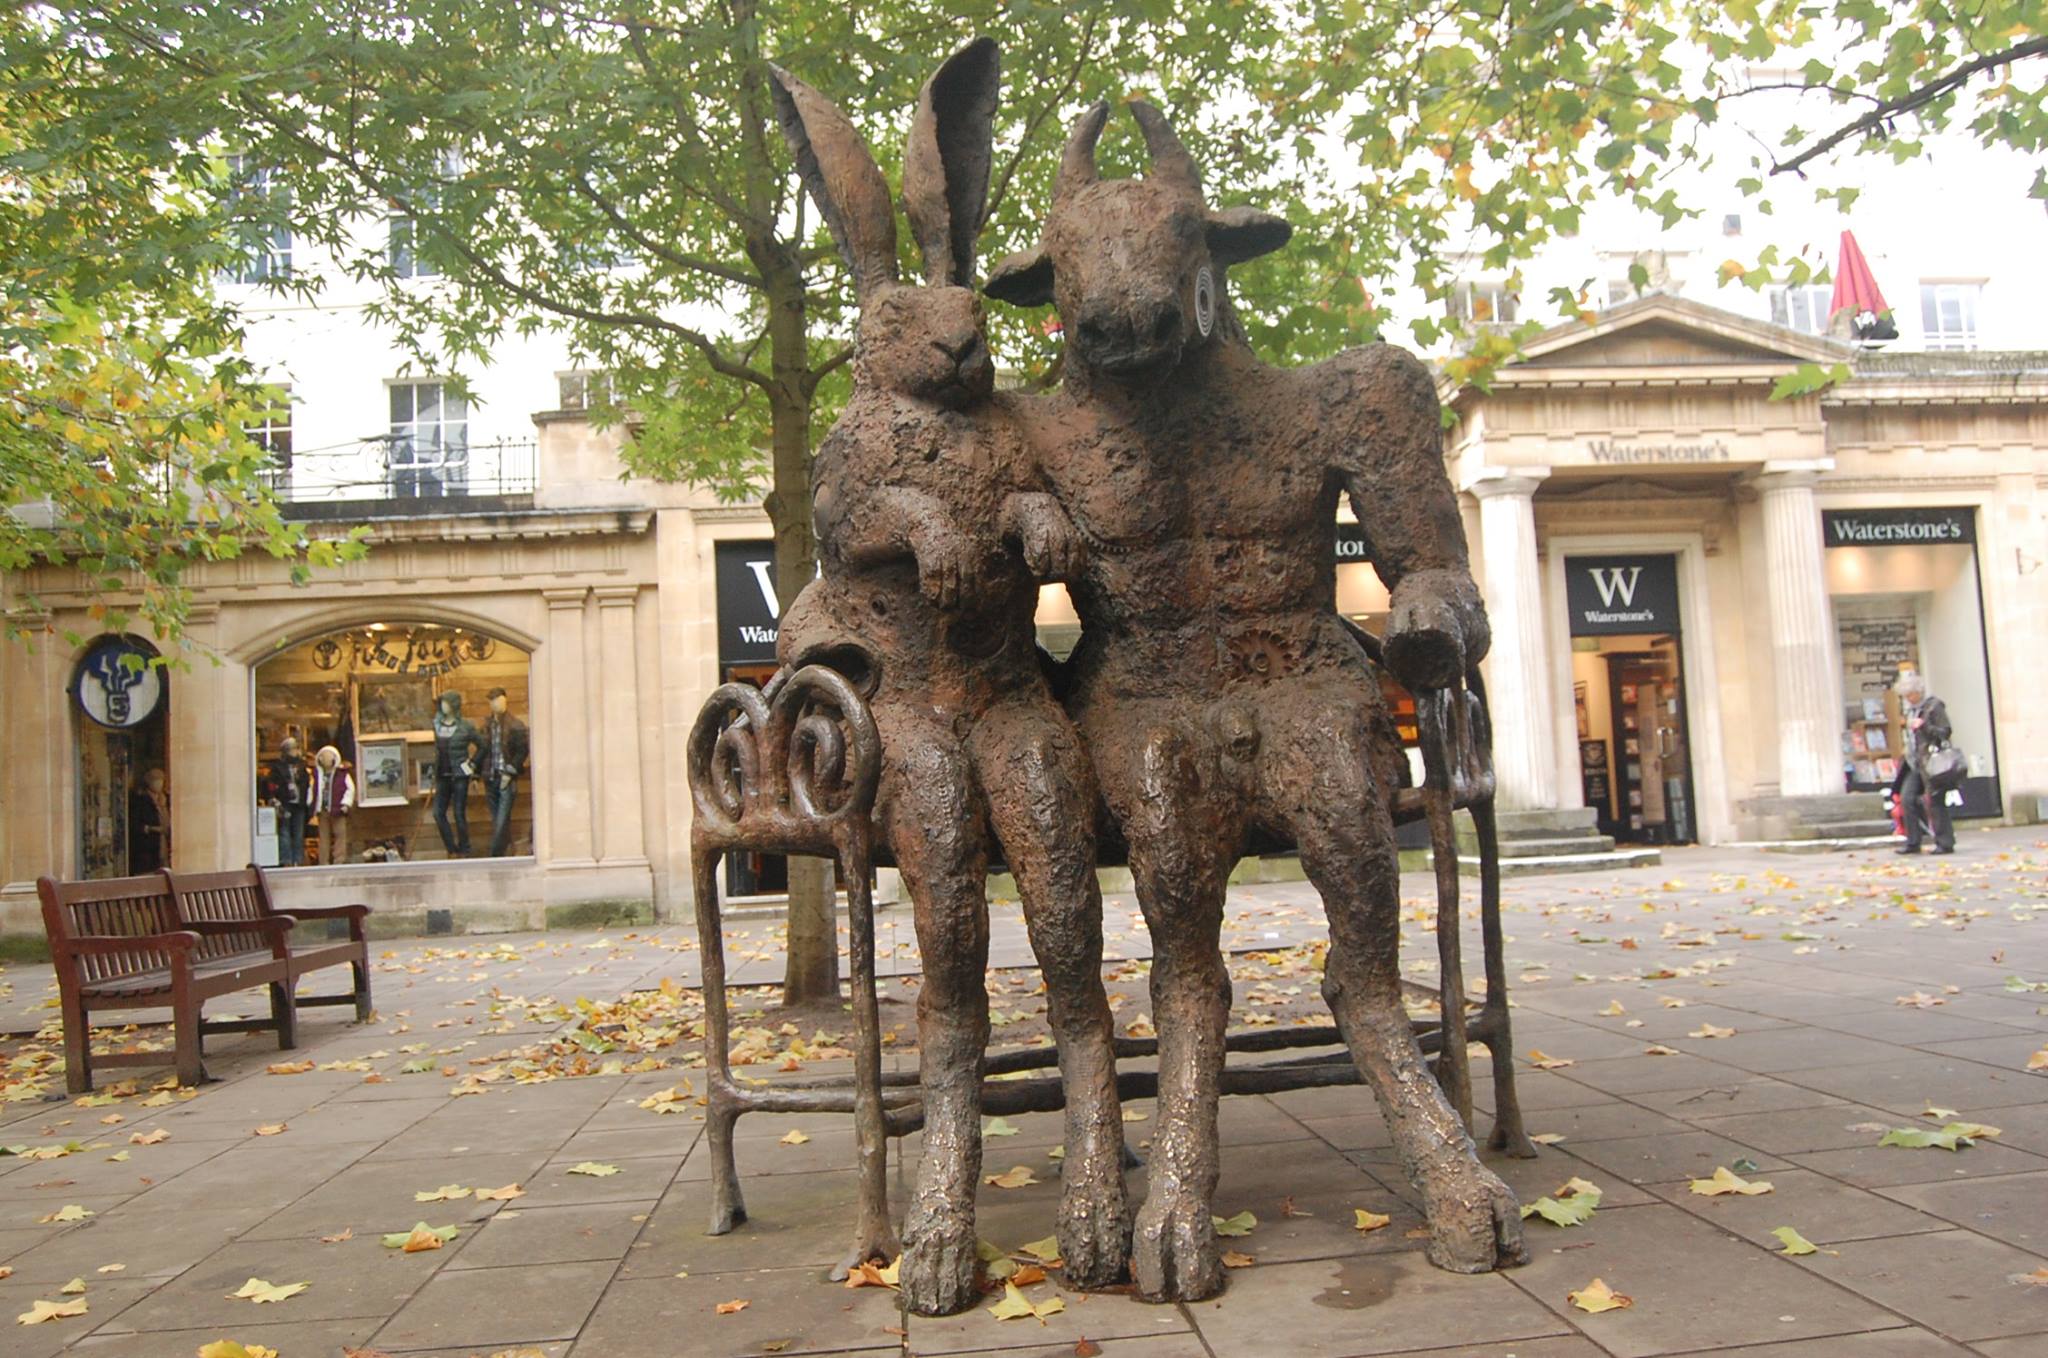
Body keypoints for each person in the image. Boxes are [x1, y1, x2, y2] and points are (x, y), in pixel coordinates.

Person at [1895, 673, 1956, 855]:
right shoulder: (1910, 710)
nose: (1908, 699)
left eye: (1911, 695)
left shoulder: (1934, 707)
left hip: (1932, 762)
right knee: (1907, 798)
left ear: (1918, 692)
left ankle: (1945, 842)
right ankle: (1913, 841)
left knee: (1935, 802)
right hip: (1915, 762)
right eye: (1906, 696)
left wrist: (1924, 726)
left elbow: (1945, 732)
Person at [479, 687, 528, 857]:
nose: (495, 703)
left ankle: (495, 855)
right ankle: (508, 853)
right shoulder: (487, 725)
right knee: (498, 820)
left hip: (506, 777)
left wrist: (509, 772)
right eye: (492, 700)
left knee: (501, 820)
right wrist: (476, 774)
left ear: (505, 700)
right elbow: (483, 750)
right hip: (490, 777)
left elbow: (522, 751)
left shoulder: (516, 725)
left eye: (498, 700)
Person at [429, 692, 479, 857]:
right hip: (442, 775)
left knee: (459, 813)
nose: (443, 706)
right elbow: (437, 749)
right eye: (442, 703)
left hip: (459, 776)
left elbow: (483, 746)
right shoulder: (437, 725)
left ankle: (465, 849)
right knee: (438, 813)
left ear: (454, 705)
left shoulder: (466, 726)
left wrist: (471, 764)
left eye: (447, 703)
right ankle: (452, 848)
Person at [268, 737, 311, 866]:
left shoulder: (302, 767)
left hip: (300, 804)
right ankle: (286, 859)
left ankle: (298, 859)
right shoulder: (277, 768)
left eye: (296, 749)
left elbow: (306, 784)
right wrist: (274, 799)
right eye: (293, 749)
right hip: (285, 803)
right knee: (284, 832)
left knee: (298, 833)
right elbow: (271, 784)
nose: (296, 752)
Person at [312, 744, 355, 867]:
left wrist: (346, 803)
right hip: (323, 810)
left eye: (328, 757)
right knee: (323, 836)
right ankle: (323, 860)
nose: (326, 759)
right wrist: (312, 805)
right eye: (323, 757)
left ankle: (339, 860)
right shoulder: (317, 775)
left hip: (338, 809)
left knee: (340, 834)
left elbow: (349, 789)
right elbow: (313, 789)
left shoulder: (342, 774)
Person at [128, 766, 170, 873]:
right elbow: (134, 824)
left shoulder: (165, 800)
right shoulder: (141, 801)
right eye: (156, 781)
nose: (159, 784)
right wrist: (152, 829)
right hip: (148, 848)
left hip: (164, 846)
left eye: (161, 781)